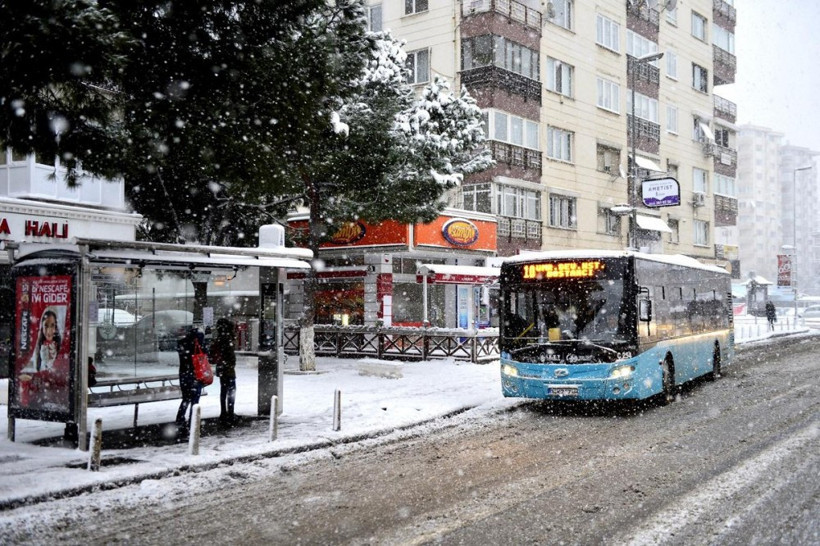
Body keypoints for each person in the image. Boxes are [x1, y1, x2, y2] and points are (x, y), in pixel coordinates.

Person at [175, 326, 206, 429]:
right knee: (195, 400)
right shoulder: (197, 345)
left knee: (186, 399)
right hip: (195, 374)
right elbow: (205, 354)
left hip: (183, 373)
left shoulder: (182, 343)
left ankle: (180, 419)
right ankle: (193, 421)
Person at [211, 318, 237, 424]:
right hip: (228, 368)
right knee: (231, 391)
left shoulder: (219, 337)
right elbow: (231, 355)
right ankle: (230, 413)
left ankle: (223, 412)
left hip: (221, 367)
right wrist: (231, 364)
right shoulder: (227, 338)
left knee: (223, 390)